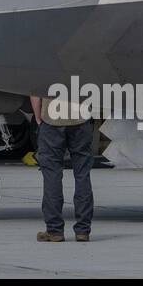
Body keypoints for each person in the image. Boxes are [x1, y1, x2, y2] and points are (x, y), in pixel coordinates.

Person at [31, 88, 93, 242]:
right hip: (81, 117)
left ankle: (55, 230)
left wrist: (39, 118)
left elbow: (34, 90)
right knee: (82, 174)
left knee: (52, 175)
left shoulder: (44, 62)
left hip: (52, 119)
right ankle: (83, 230)